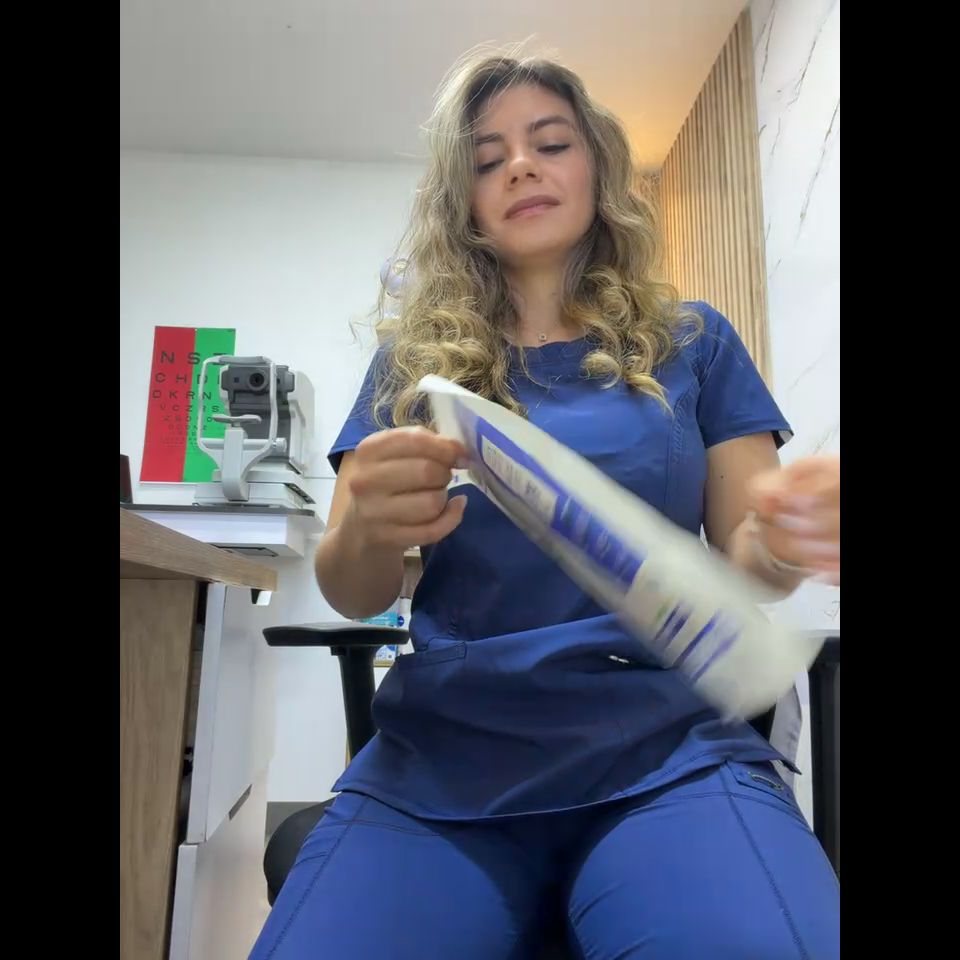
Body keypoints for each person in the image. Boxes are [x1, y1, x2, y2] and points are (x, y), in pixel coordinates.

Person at [250, 48, 840, 960]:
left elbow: (748, 562)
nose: (521, 166)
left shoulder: (694, 342)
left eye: (551, 143)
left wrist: (787, 534)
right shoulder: (413, 366)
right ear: (464, 201)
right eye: (488, 159)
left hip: (668, 751)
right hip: (445, 760)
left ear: (596, 165)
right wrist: (365, 522)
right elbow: (353, 589)